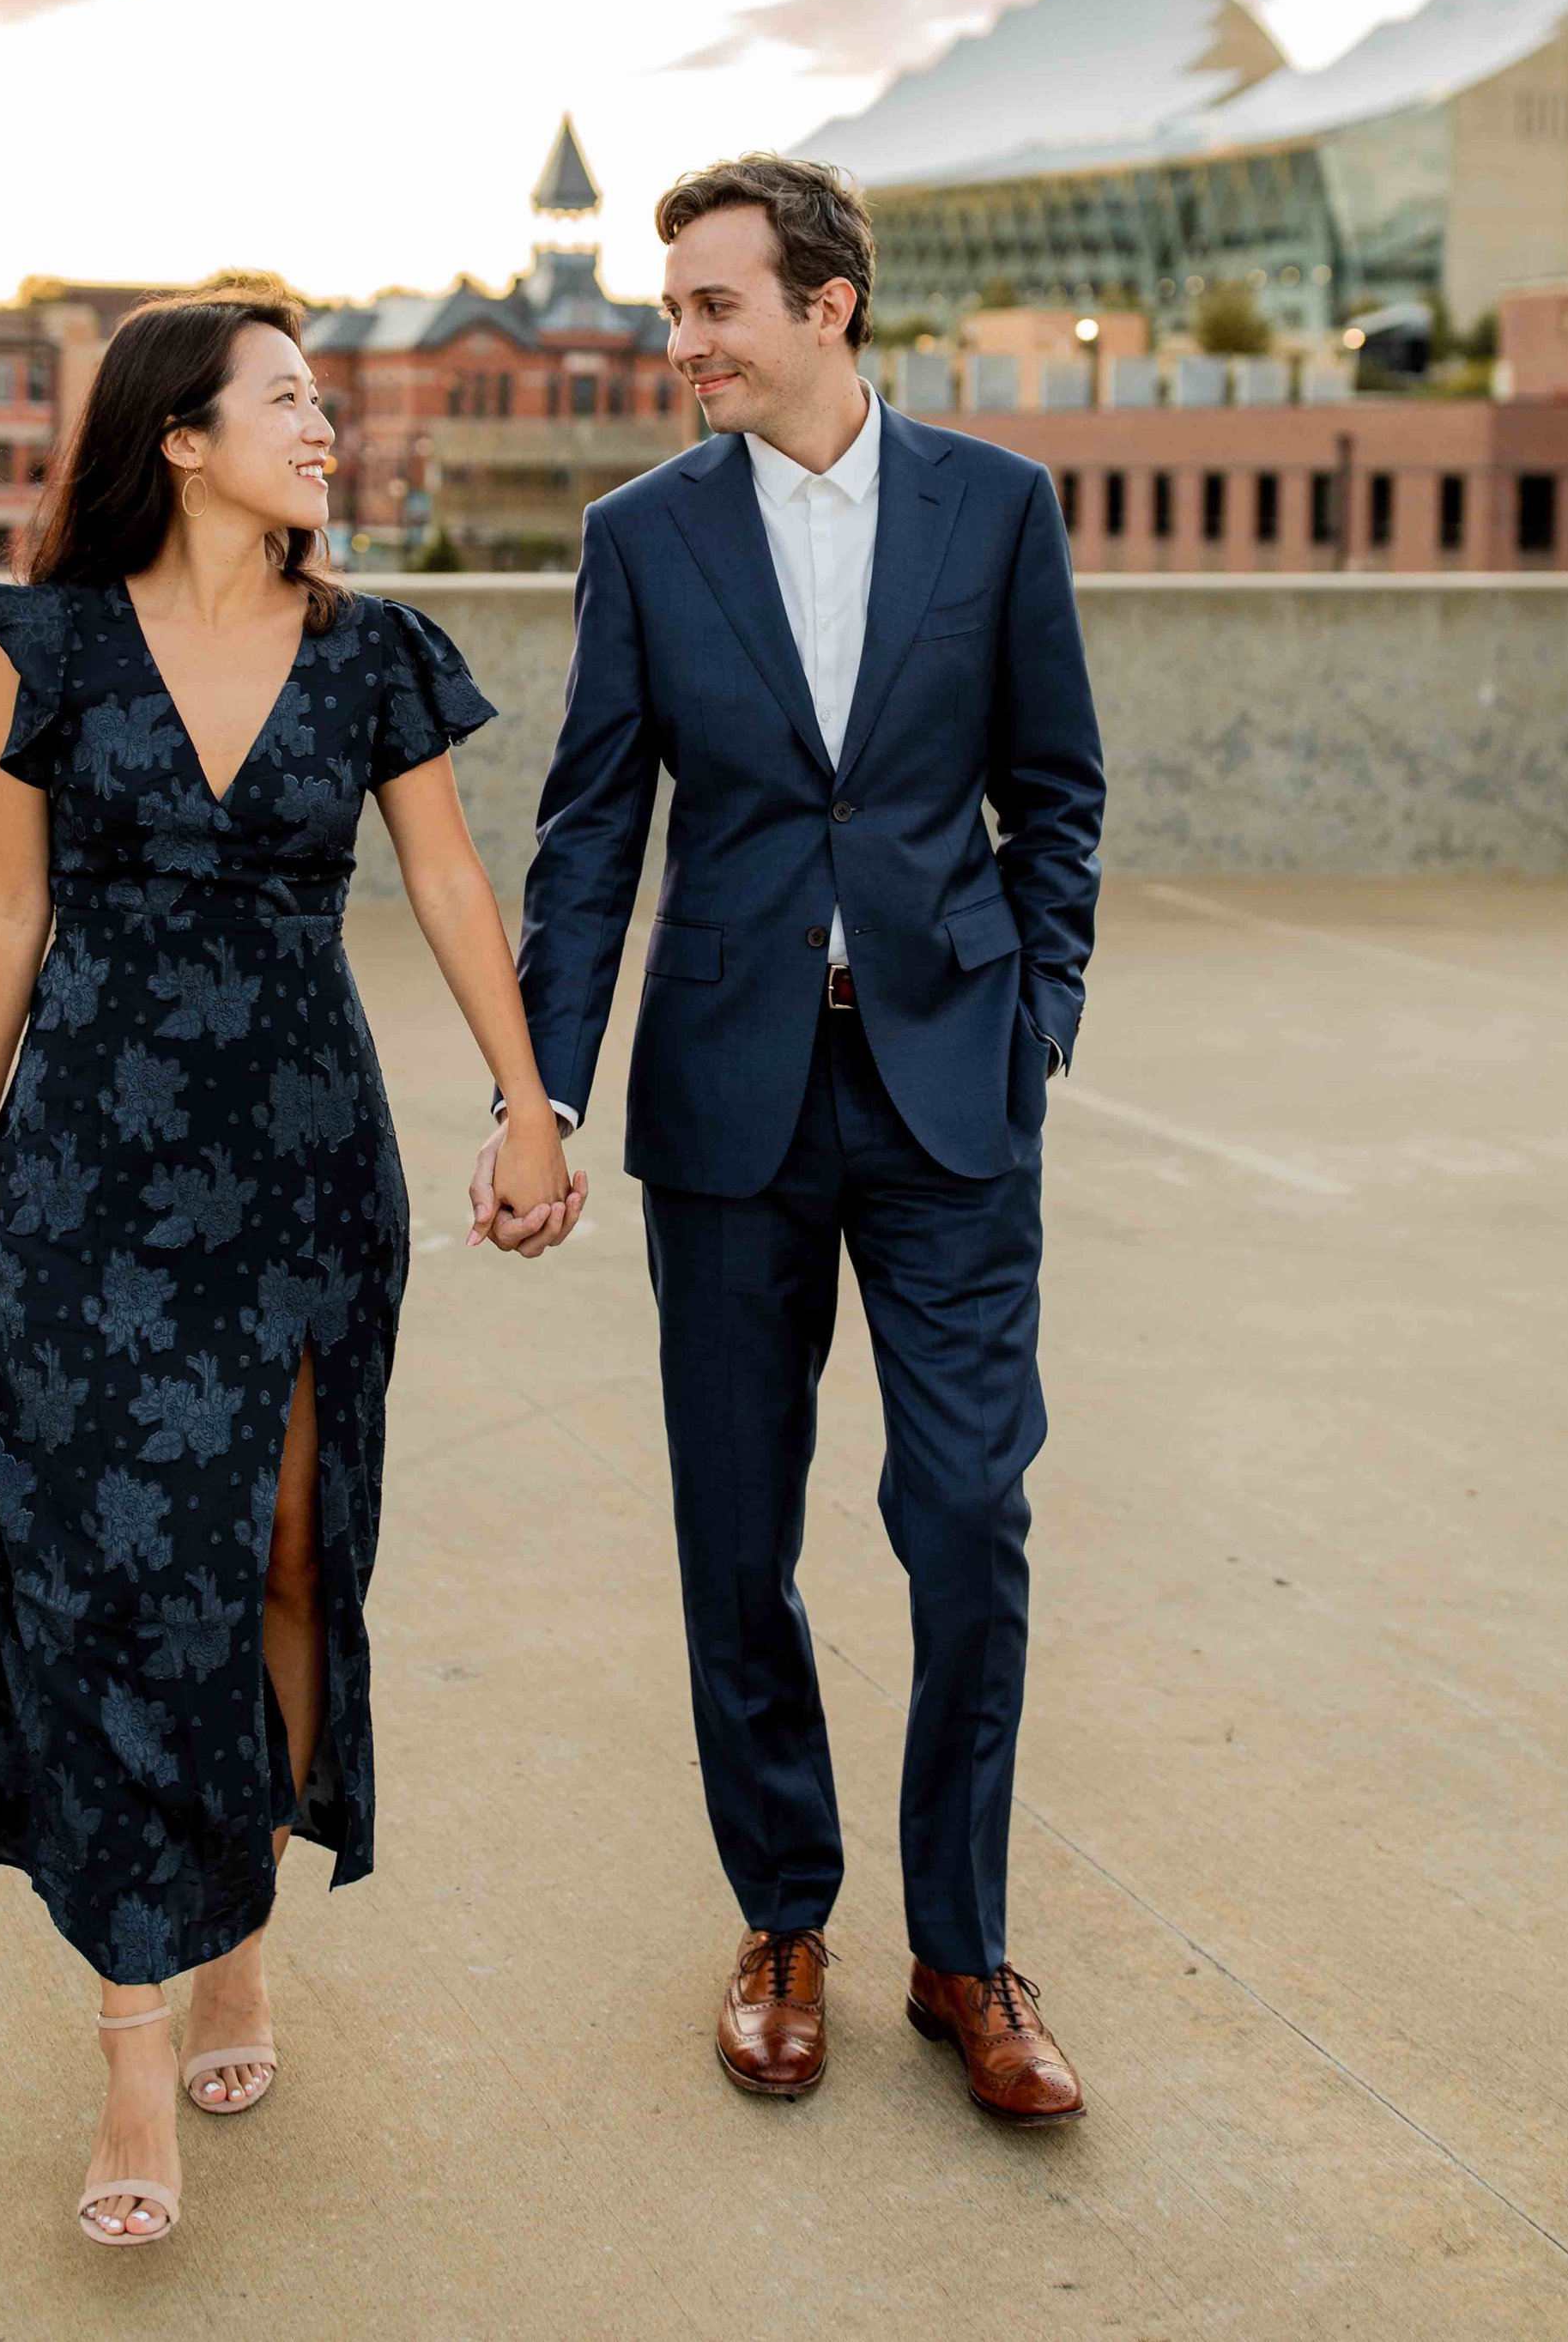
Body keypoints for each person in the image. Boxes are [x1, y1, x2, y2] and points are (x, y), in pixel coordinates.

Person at [0, 292, 581, 2249]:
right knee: (111, 1582)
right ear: (182, 439)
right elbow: (2, 905)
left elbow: (453, 879)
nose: (326, 427)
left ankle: (238, 1936)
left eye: (320, 400)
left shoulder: (371, 651)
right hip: (87, 1176)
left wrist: (528, 1100)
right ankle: (134, 2039)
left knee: (287, 1558)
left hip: (302, 1169)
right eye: (290, 401)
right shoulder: (33, 648)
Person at [469, 158, 1104, 2121]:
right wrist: (538, 1093)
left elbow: (1053, 794)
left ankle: (960, 1953)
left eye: (710, 309)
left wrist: (1032, 1030)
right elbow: (589, 835)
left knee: (967, 1522)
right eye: (672, 310)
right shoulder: (642, 537)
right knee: (735, 1535)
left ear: (824, 306)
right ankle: (781, 1919)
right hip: (729, 1101)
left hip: (945, 1097)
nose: (678, 344)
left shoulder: (994, 509)